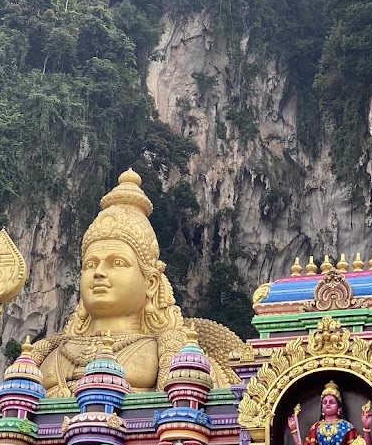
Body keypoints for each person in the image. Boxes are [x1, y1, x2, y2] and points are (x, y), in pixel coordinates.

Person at [30, 169, 243, 396]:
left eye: (117, 262)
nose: (99, 272)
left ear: (150, 282)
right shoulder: (45, 352)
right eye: (90, 265)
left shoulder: (170, 351)